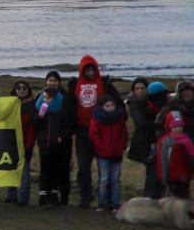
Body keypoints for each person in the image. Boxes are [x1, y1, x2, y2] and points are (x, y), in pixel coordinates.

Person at [64, 55, 123, 208]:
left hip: (103, 131)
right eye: (87, 70)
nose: (90, 73)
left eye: (92, 69)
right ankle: (85, 196)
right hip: (83, 131)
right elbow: (68, 107)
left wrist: (114, 120)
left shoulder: (105, 84)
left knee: (106, 166)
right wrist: (70, 127)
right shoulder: (75, 85)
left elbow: (118, 105)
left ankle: (109, 199)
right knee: (83, 166)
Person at [35, 74, 73, 207]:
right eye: (50, 80)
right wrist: (40, 115)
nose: (52, 83)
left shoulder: (63, 101)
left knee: (59, 169)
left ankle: (58, 196)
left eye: (55, 80)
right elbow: (36, 125)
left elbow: (67, 124)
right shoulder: (39, 102)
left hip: (59, 144)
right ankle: (44, 196)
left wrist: (62, 137)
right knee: (45, 169)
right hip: (44, 143)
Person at [125, 79, 165, 199]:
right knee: (152, 173)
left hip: (159, 140)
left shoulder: (155, 101)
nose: (140, 91)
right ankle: (148, 200)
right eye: (137, 88)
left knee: (162, 172)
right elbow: (141, 123)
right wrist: (160, 124)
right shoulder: (134, 103)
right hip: (145, 142)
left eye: (142, 88)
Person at [89, 96, 128, 212]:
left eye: (112, 105)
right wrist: (101, 147)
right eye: (107, 106)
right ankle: (102, 203)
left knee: (115, 179)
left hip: (116, 153)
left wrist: (121, 146)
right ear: (102, 107)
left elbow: (124, 133)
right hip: (103, 154)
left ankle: (115, 203)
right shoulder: (97, 119)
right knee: (104, 179)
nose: (110, 108)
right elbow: (93, 134)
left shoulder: (119, 118)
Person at [4, 81, 37, 205]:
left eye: (24, 88)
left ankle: (23, 198)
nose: (21, 90)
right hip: (11, 142)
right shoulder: (10, 104)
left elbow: (32, 128)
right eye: (19, 88)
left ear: (28, 90)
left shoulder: (32, 106)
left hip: (24, 143)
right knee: (10, 170)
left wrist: (28, 145)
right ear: (15, 89)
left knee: (24, 172)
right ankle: (10, 195)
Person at [157, 111, 192, 199]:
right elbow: (163, 160)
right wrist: (163, 178)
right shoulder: (166, 141)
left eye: (180, 126)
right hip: (171, 178)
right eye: (175, 126)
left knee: (185, 198)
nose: (178, 129)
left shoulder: (187, 140)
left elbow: (191, 158)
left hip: (185, 177)